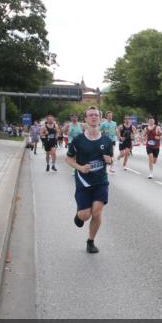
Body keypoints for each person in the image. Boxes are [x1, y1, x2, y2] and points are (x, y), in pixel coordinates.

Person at [65, 107, 114, 254]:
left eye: (96, 115)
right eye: (90, 115)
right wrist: (79, 167)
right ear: (85, 119)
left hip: (101, 181)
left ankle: (90, 241)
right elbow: (68, 159)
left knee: (97, 212)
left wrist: (109, 160)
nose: (93, 117)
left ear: (100, 119)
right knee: (85, 215)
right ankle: (79, 214)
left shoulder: (107, 140)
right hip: (83, 181)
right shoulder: (78, 140)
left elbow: (111, 159)